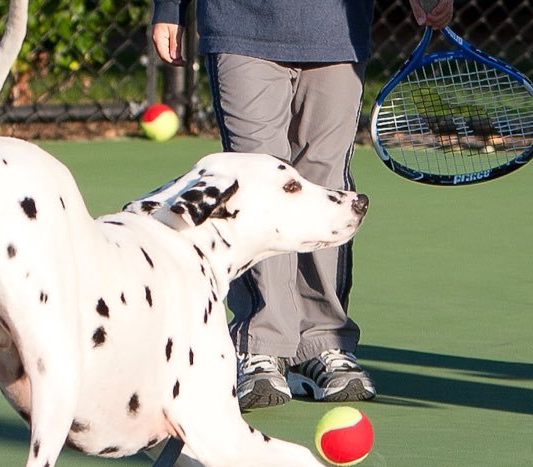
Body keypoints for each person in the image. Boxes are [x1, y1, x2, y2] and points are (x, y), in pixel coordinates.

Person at [150, 0, 454, 410]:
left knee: (326, 183)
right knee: (257, 186)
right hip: (240, 22)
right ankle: (260, 345)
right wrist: (170, 8)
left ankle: (322, 343)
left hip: (338, 29)